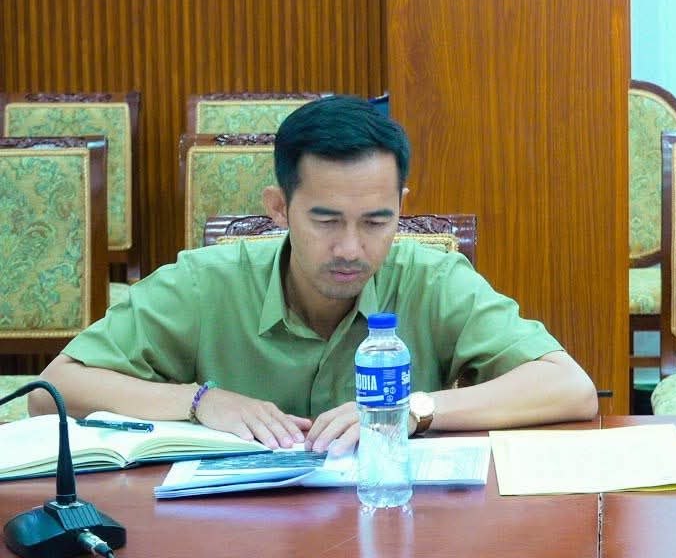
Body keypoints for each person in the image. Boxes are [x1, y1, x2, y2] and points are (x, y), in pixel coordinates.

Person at [32, 96, 598, 453]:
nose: (350, 248)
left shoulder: (433, 279)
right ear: (279, 208)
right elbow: (54, 390)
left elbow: (570, 388)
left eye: (376, 221)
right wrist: (201, 401)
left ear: (401, 208)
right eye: (325, 220)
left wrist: (412, 411)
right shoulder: (205, 284)